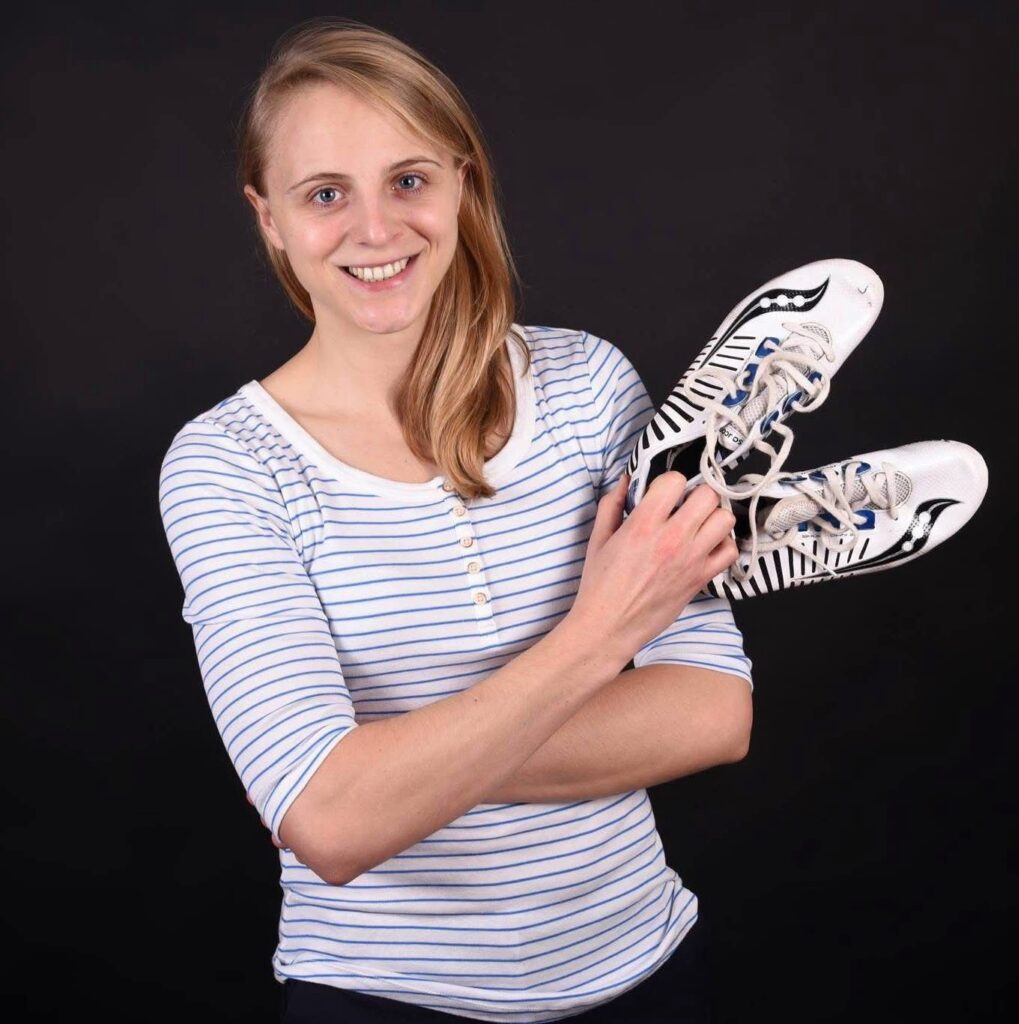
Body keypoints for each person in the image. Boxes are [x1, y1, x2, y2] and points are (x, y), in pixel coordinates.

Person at [157, 16, 753, 1023]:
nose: (375, 229)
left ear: (462, 184)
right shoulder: (227, 465)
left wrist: (373, 781)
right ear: (270, 219)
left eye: (409, 179)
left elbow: (711, 712)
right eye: (325, 194)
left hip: (646, 970)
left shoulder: (588, 385)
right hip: (381, 997)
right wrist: (601, 631)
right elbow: (334, 830)